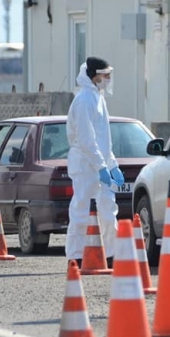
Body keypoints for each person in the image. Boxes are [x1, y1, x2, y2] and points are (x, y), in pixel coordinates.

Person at [65, 56, 123, 265]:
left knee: (108, 210)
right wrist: (101, 166)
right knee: (81, 209)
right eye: (104, 75)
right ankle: (76, 256)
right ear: (93, 76)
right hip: (84, 164)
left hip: (99, 164)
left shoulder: (98, 98)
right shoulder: (83, 101)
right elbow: (86, 139)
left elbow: (103, 138)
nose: (107, 79)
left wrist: (112, 164)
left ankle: (111, 254)